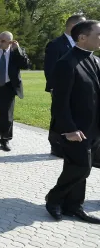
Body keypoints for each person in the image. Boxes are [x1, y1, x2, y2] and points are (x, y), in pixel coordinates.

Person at [46, 20, 100, 224]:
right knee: (81, 167)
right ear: (82, 37)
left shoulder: (96, 61)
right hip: (76, 129)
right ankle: (54, 199)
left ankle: (74, 206)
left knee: (77, 168)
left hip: (94, 128)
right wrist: (69, 129)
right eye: (99, 34)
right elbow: (59, 102)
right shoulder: (66, 63)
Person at [45, 15, 86, 158]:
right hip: (61, 89)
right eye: (83, 24)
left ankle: (72, 143)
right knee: (58, 116)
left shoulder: (82, 45)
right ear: (73, 26)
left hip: (79, 91)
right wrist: (53, 89)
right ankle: (56, 145)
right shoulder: (55, 44)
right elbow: (50, 69)